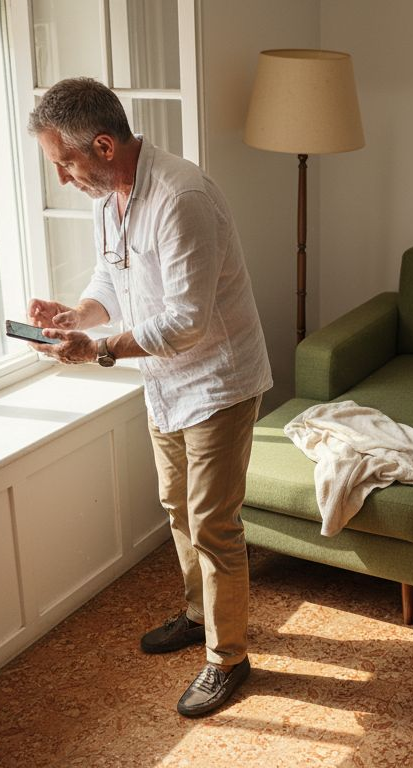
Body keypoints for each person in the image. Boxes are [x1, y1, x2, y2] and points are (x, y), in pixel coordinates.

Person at [24, 77, 272, 717]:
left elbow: (186, 321)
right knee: (177, 507)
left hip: (217, 381)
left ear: (103, 145)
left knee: (214, 523)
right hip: (164, 382)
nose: (62, 178)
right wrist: (76, 317)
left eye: (65, 162)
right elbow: (112, 278)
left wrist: (100, 350)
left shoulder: (182, 198)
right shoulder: (109, 197)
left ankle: (228, 659)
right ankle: (199, 613)